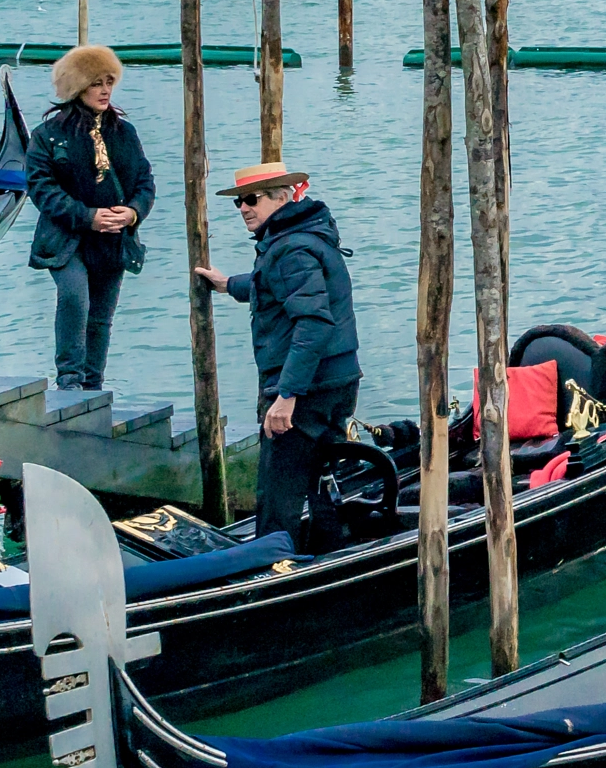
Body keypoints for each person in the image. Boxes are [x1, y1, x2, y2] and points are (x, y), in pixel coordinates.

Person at [195, 161, 362, 547]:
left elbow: (313, 323)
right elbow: (272, 285)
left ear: (282, 198)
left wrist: (287, 396)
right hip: (336, 380)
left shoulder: (288, 249)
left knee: (278, 495)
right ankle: (331, 553)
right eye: (238, 202)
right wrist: (228, 285)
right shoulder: (305, 236)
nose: (243, 209)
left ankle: (271, 571)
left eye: (251, 200)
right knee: (322, 482)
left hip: (305, 390)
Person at [26, 46, 154, 391]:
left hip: (114, 239)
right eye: (96, 83)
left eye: (109, 82)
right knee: (73, 299)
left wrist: (133, 213)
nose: (104, 90)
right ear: (76, 87)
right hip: (66, 239)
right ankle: (69, 381)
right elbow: (42, 188)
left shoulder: (124, 132)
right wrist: (87, 217)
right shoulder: (48, 135)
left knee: (100, 318)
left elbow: (144, 181)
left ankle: (93, 385)